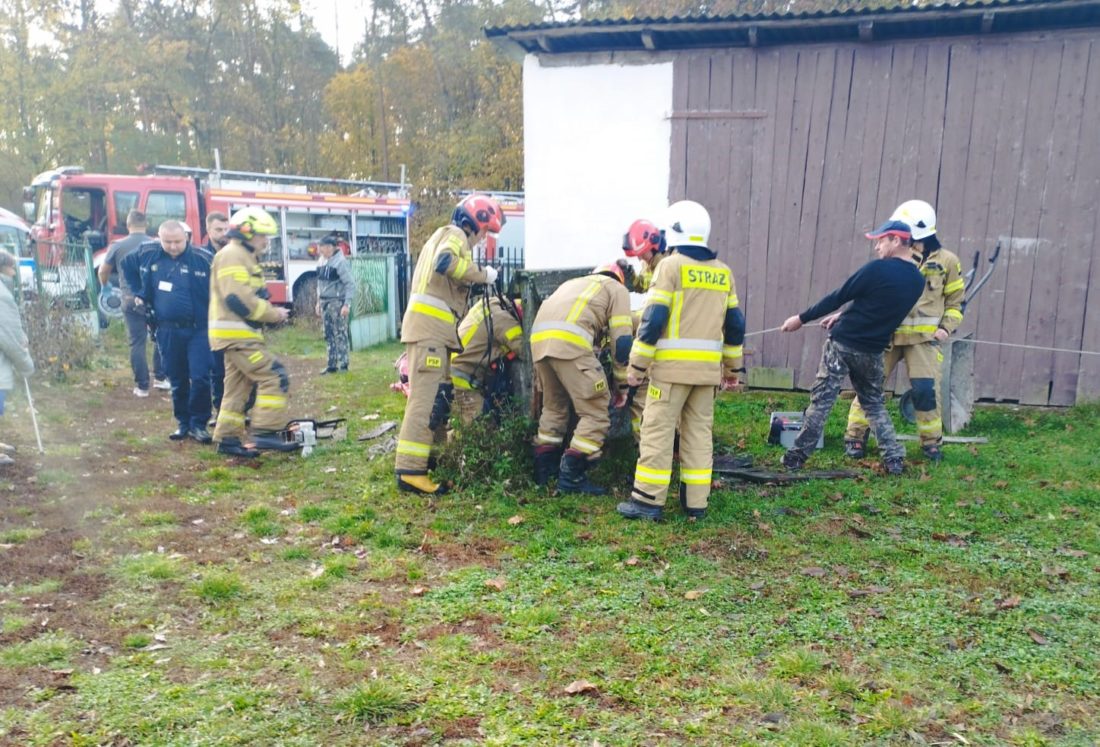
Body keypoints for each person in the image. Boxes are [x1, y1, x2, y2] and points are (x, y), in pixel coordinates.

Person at [617, 201, 745, 522]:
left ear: (674, 230)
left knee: (657, 432)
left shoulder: (671, 267)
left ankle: (647, 501)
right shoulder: (723, 272)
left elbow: (654, 318)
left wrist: (636, 367)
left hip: (671, 374)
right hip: (706, 375)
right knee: (699, 435)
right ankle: (695, 504)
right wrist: (732, 369)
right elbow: (735, 324)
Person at [778, 216, 925, 475]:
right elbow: (877, 304)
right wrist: (844, 314)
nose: (877, 247)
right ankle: (893, 459)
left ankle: (796, 457)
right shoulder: (916, 280)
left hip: (842, 345)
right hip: (873, 350)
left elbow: (839, 295)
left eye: (881, 241)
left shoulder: (876, 269)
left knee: (822, 401)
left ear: (896, 240)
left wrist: (800, 319)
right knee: (874, 404)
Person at [395, 194, 502, 495]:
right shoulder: (454, 235)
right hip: (429, 332)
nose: (483, 240)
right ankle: (410, 471)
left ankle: (428, 462)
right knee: (426, 401)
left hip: (434, 334)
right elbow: (447, 262)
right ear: (476, 224)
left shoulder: (444, 236)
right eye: (485, 233)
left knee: (438, 400)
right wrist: (483, 275)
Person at [843, 200, 964, 463]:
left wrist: (945, 329)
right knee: (869, 386)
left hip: (924, 341)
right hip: (886, 336)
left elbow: (956, 303)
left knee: (925, 390)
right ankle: (855, 436)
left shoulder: (947, 261)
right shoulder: (891, 258)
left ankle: (931, 443)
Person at [530, 261, 633, 494]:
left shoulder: (575, 284)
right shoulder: (616, 289)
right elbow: (622, 341)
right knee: (596, 412)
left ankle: (545, 473)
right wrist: (622, 385)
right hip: (571, 343)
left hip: (539, 344)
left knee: (554, 408)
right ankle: (571, 478)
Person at [208, 207, 293, 458]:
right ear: (246, 233)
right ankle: (266, 432)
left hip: (237, 336)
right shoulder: (234, 255)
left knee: (237, 388)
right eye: (262, 235)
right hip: (238, 337)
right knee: (274, 375)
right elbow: (237, 298)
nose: (266, 241)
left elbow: (244, 295)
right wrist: (272, 314)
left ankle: (227, 439)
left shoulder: (240, 255)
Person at [121, 221, 213, 443]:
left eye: (177, 242)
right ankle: (183, 423)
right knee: (177, 378)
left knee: (200, 377)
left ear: (187, 238)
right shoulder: (148, 253)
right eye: (167, 242)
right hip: (167, 329)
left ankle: (199, 423)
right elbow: (126, 265)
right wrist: (138, 292)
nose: (172, 246)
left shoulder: (203, 258)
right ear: (158, 239)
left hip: (199, 329)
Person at [97, 210, 168, 397]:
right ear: (146, 224)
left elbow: (103, 271)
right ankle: (161, 378)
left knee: (137, 342)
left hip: (130, 299)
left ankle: (142, 386)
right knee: (160, 338)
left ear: (128, 225)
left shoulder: (117, 246)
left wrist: (105, 287)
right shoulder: (156, 244)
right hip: (155, 299)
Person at [621, 218, 670, 438]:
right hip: (652, 331)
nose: (639, 258)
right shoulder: (650, 263)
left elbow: (657, 312)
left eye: (641, 254)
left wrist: (630, 320)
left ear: (653, 245)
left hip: (662, 331)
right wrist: (630, 275)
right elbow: (642, 285)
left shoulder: (668, 266)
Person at [449, 295, 525, 425]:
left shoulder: (490, 304)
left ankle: (452, 428)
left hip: (453, 372)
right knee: (481, 429)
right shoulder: (505, 321)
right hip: (463, 380)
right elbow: (525, 351)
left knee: (464, 420)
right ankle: (453, 436)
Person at [0, 250, 34, 466]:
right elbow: (8, 337)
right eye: (13, 268)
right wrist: (26, 365)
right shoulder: (2, 295)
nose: (14, 272)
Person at [314, 235, 355, 374]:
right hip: (324, 301)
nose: (320, 250)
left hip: (337, 302)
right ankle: (331, 365)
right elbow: (319, 284)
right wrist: (318, 303)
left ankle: (344, 364)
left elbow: (350, 284)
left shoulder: (341, 262)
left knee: (340, 333)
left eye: (322, 247)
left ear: (330, 247)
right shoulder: (321, 261)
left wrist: (346, 305)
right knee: (328, 334)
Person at [203, 212, 231, 412]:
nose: (222, 234)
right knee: (216, 369)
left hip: (233, 320)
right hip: (210, 320)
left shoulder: (235, 255)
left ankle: (239, 409)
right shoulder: (201, 256)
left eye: (225, 229)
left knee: (237, 369)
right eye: (218, 229)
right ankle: (219, 408)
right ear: (208, 230)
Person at [622, 218, 668, 293]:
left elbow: (660, 282)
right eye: (638, 256)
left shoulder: (672, 261)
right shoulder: (647, 264)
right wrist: (632, 279)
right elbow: (646, 284)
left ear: (653, 248)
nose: (641, 258)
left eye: (642, 253)